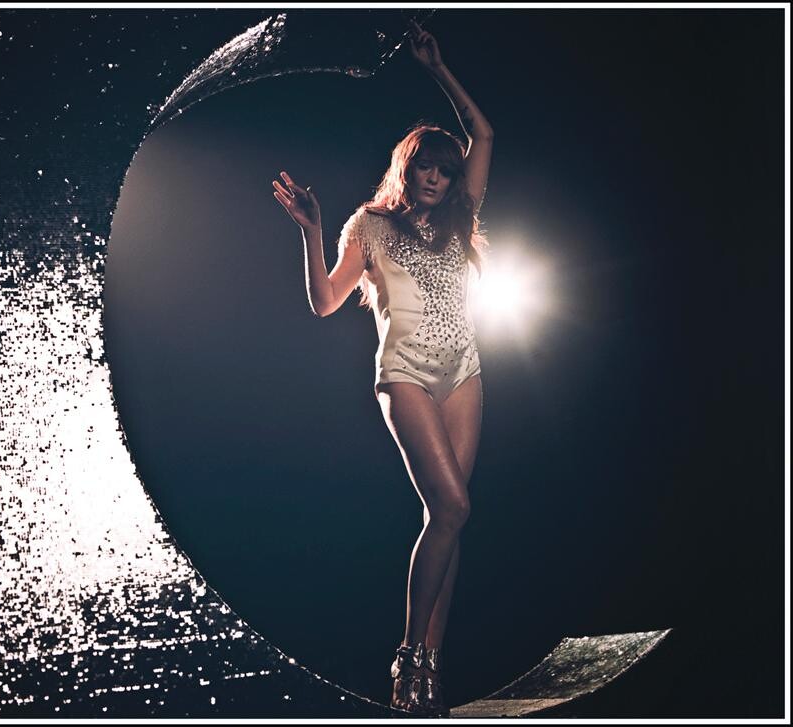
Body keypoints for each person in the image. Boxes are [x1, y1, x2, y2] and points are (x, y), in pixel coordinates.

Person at [271, 19, 494, 717]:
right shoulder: (369, 224)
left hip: (463, 369)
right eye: (427, 166)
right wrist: (312, 230)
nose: (436, 177)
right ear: (408, 168)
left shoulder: (460, 216)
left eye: (446, 170)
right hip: (404, 374)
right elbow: (325, 302)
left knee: (448, 518)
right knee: (453, 507)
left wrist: (438, 68)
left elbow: (484, 134)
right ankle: (408, 656)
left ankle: (431, 673)